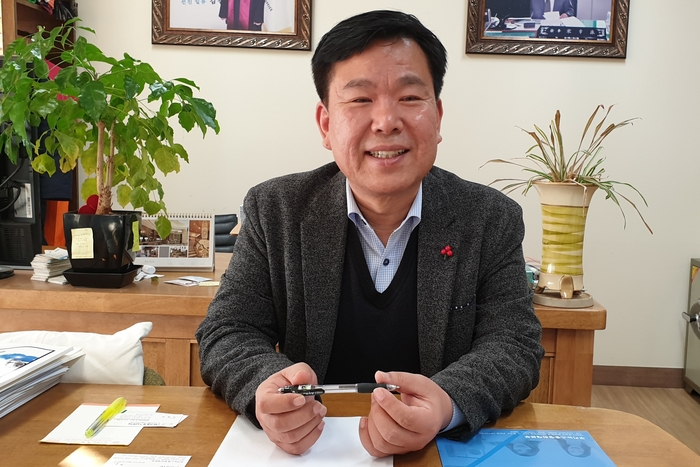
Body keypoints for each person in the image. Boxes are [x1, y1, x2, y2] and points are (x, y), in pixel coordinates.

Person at [196, 10, 544, 458]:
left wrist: (446, 404)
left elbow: (513, 344)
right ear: (326, 124)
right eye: (360, 99)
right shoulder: (276, 209)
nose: (385, 121)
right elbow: (229, 330)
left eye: (409, 97)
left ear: (437, 117)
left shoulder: (489, 218)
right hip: (310, 451)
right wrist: (267, 387)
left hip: (434, 451)